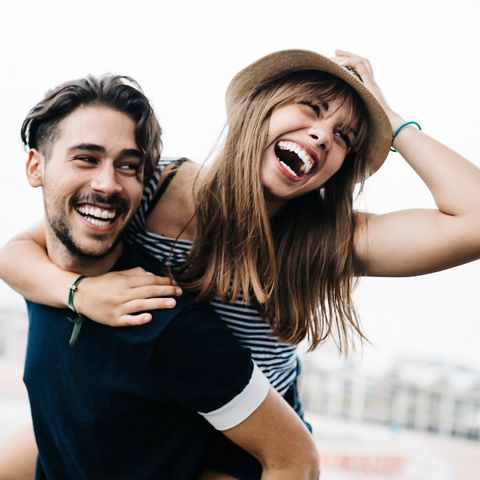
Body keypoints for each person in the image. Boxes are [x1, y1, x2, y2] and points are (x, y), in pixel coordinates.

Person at [2, 47, 480, 475]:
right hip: (141, 414)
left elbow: (473, 221)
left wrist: (390, 119)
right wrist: (80, 294)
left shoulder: (330, 240)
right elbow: (18, 254)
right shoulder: (153, 187)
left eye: (344, 138)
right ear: (259, 109)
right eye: (311, 109)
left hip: (241, 445)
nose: (321, 135)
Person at [0, 74, 319, 480]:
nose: (106, 183)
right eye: (86, 158)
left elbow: (295, 458)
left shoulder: (167, 323)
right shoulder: (47, 272)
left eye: (128, 166)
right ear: (35, 166)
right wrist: (77, 293)